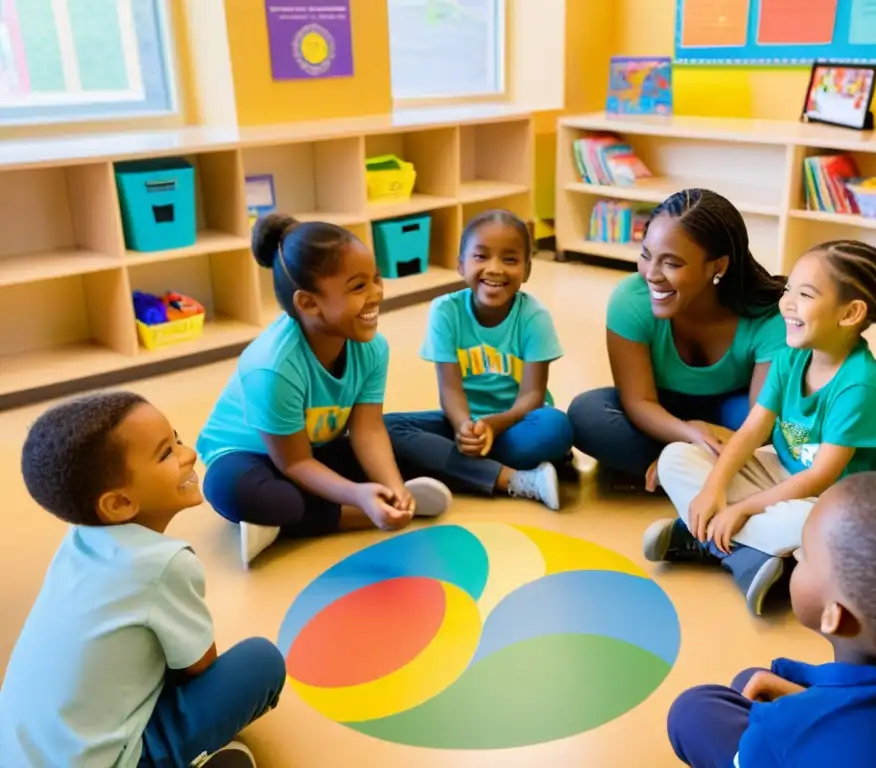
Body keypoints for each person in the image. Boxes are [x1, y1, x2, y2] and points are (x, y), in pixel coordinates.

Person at [0, 392, 286, 768]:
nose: (189, 455)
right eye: (167, 453)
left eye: (177, 439)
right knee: (260, 662)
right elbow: (198, 668)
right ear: (118, 504)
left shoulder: (77, 543)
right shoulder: (163, 564)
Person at [665, 473, 876, 768]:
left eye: (805, 555)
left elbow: (770, 742)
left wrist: (796, 717)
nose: (797, 556)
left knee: (694, 712)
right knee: (757, 681)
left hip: (814, 737)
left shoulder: (788, 729)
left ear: (835, 616)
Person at [647, 240, 876, 615]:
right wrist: (713, 489)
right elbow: (751, 432)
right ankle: (741, 550)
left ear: (850, 314)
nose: (787, 303)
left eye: (806, 294)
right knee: (675, 459)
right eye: (788, 290)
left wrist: (742, 508)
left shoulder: (860, 385)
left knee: (817, 528)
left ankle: (706, 539)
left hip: (832, 501)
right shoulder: (790, 355)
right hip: (778, 474)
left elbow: (819, 478)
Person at [197, 214, 452, 567]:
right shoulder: (272, 367)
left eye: (375, 278)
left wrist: (391, 484)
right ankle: (353, 514)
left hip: (312, 449)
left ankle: (369, 505)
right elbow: (295, 462)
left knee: (395, 444)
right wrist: (357, 495)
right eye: (358, 287)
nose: (377, 293)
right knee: (245, 493)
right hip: (247, 457)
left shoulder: (372, 348)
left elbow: (367, 429)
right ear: (308, 303)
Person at [567, 189, 787, 488]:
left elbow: (758, 423)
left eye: (671, 263)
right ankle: (704, 471)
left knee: (777, 430)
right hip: (659, 411)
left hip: (731, 414)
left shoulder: (768, 317)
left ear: (718, 266)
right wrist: (690, 434)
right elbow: (639, 400)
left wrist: (714, 437)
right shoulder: (630, 300)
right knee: (587, 415)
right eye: (646, 255)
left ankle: (675, 471)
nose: (652, 274)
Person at [385, 209, 571, 510]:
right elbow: (450, 390)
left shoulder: (534, 317)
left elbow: (533, 396)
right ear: (461, 265)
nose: (494, 269)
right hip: (461, 425)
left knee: (557, 427)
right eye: (481, 257)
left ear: (526, 270)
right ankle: (511, 477)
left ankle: (445, 464)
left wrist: (494, 425)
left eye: (509, 259)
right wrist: (463, 427)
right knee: (385, 429)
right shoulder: (445, 311)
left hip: (516, 424)